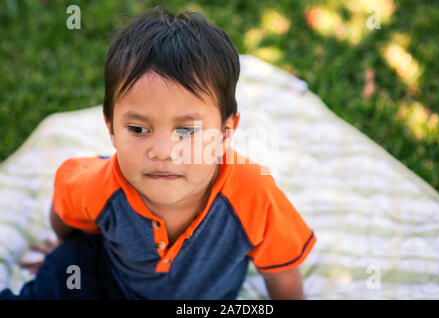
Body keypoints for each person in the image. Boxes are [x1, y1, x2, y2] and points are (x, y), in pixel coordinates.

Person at [0, 5, 316, 300]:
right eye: (138, 129)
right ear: (110, 128)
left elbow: (283, 273)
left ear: (225, 133)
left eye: (187, 130)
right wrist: (64, 250)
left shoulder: (254, 195)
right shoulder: (98, 185)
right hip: (110, 285)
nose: (163, 152)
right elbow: (64, 206)